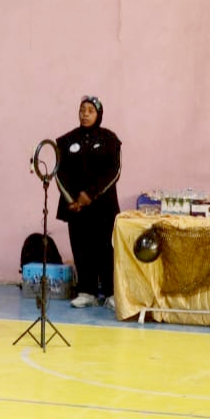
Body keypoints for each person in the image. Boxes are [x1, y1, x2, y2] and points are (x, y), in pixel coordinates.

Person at [56, 95, 122, 308]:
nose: (85, 114)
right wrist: (73, 199)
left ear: (99, 114)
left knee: (106, 249)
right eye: (82, 110)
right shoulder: (66, 141)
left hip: (103, 207)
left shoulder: (110, 139)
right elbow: (59, 173)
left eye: (90, 111)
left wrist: (90, 195)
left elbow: (114, 171)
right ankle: (87, 292)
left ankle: (111, 293)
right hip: (76, 207)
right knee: (81, 247)